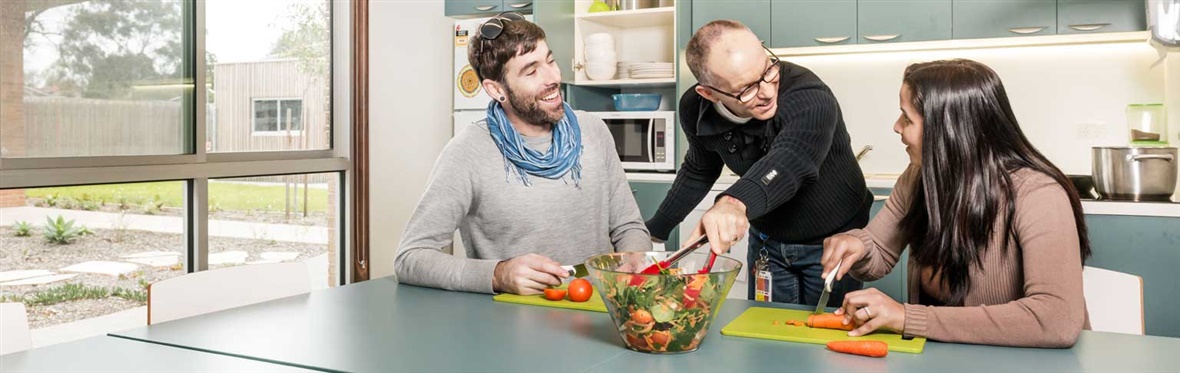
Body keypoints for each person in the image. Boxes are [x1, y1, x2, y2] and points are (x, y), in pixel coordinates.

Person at [820, 59, 1090, 348]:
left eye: (907, 118)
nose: (896, 127)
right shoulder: (918, 177)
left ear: (948, 130)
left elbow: (1056, 321)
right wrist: (857, 245)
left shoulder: (1039, 195)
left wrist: (907, 317)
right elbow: (880, 250)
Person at [395, 12, 650, 295]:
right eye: (531, 71)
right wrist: (497, 274)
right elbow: (411, 257)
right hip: (512, 323)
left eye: (550, 61)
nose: (553, 77)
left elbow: (628, 227)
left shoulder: (594, 131)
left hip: (599, 309)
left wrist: (635, 259)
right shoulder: (468, 152)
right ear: (496, 90)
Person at [645, 20, 871, 306]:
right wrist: (655, 231)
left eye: (768, 71)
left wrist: (733, 203)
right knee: (766, 335)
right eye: (746, 89)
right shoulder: (694, 108)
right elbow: (699, 169)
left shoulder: (809, 95)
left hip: (836, 241)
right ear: (709, 93)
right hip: (768, 243)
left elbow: (790, 160)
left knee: (826, 340)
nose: (766, 91)